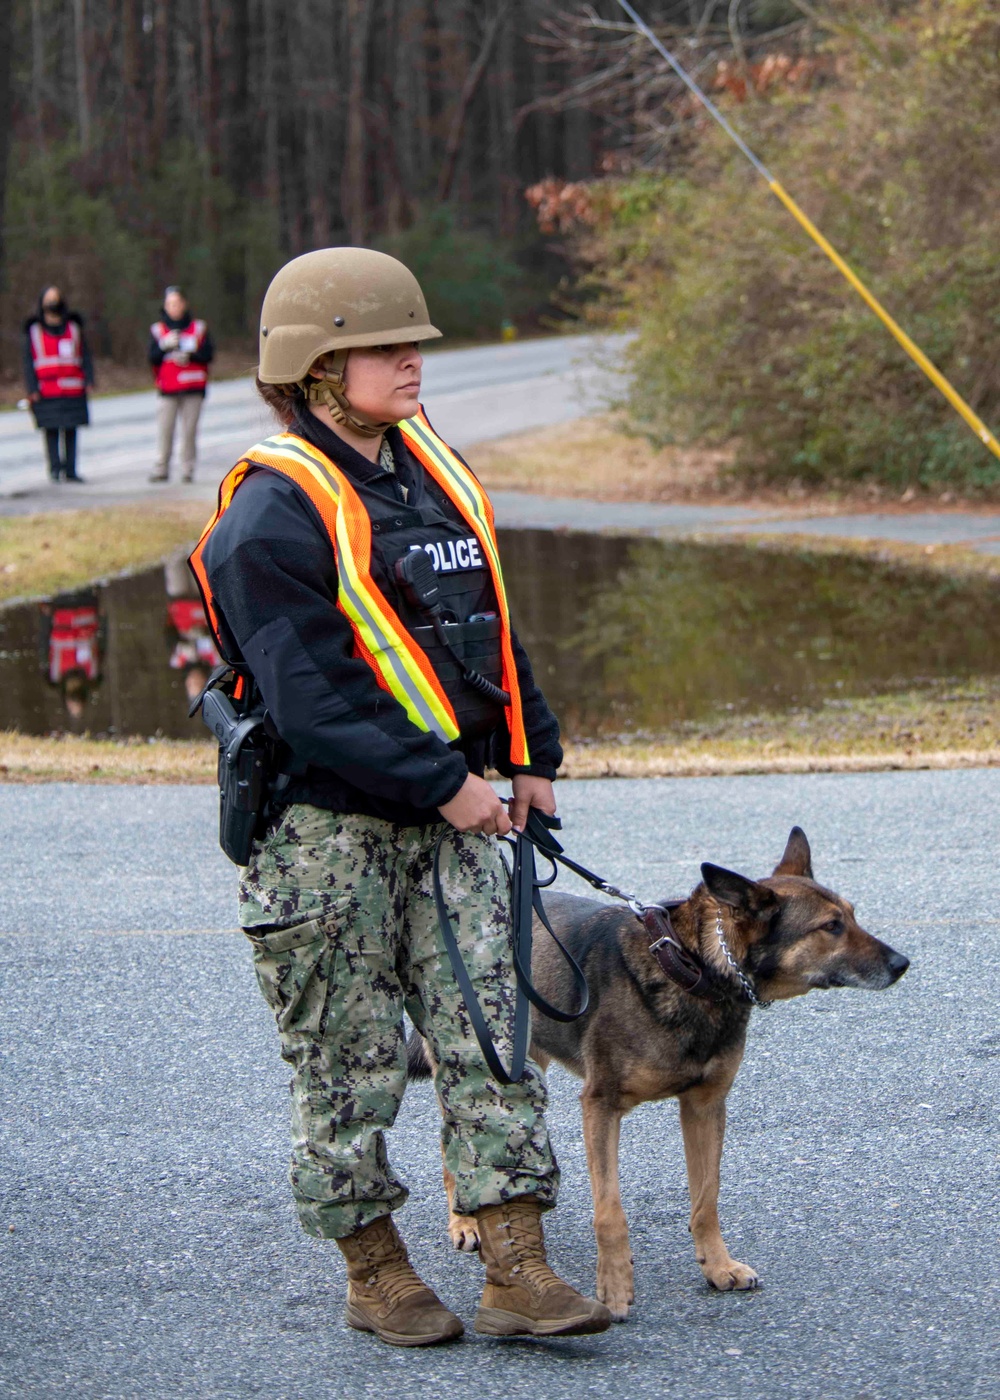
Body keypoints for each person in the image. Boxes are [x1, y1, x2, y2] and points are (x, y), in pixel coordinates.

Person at [189, 247, 611, 1348]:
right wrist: (445, 785)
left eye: (414, 341)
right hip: (326, 831)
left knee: (491, 1032)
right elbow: (313, 697)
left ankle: (516, 1261)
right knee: (347, 1056)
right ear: (319, 368)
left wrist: (533, 756)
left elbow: (487, 633)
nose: (414, 360)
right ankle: (374, 1269)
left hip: (461, 808)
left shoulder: (433, 474)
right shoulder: (267, 519)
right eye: (388, 344)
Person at [22, 286, 94, 483]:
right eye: (49, 299)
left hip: (73, 388)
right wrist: (32, 388)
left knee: (71, 429)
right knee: (51, 429)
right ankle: (55, 469)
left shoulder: (73, 327)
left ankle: (71, 470)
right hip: (47, 389)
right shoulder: (34, 330)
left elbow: (84, 355)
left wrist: (89, 379)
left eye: (56, 298)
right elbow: (28, 362)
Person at [148, 286, 214, 483]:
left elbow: (209, 354)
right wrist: (163, 346)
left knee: (189, 432)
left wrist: (191, 355)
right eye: (170, 304)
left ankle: (187, 469)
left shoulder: (199, 328)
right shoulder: (158, 331)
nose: (173, 308)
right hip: (167, 390)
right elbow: (151, 358)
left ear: (184, 304)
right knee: (165, 431)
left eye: (177, 303)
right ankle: (161, 468)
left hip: (193, 389)